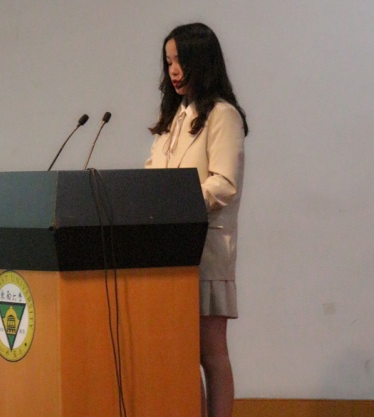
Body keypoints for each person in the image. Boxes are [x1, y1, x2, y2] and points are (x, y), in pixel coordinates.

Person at [145, 22, 249, 417]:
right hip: (168, 252)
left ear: (201, 62)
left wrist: (174, 204)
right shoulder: (174, 118)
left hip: (205, 249)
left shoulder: (222, 115)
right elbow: (154, 174)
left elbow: (224, 184)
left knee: (210, 352)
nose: (173, 70)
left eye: (180, 61)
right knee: (180, 353)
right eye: (168, 62)